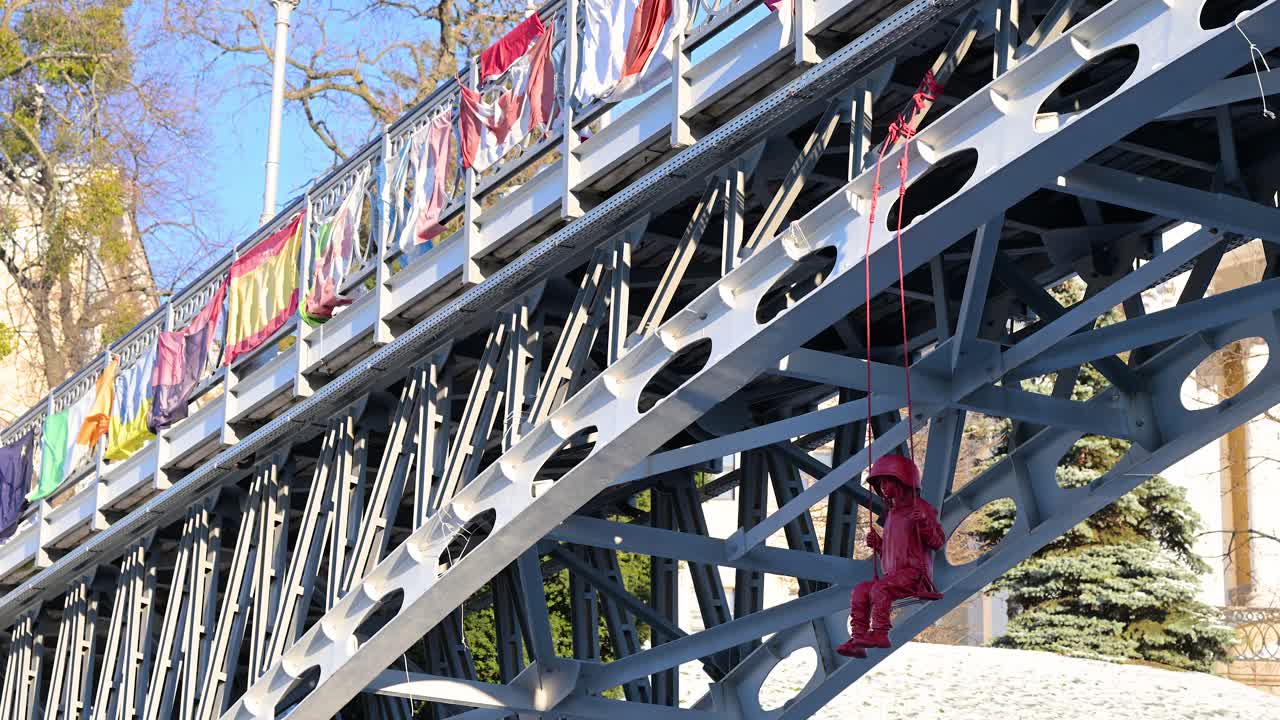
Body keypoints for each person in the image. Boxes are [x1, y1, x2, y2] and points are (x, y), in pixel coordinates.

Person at [835, 454, 945, 659]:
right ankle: (858, 639)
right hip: (894, 577)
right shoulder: (893, 514)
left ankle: (880, 633)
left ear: (901, 480)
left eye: (886, 481)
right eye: (880, 483)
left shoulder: (920, 508)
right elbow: (897, 550)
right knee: (861, 590)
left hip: (914, 577)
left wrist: (923, 523)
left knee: (880, 588)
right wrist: (879, 546)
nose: (883, 487)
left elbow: (937, 541)